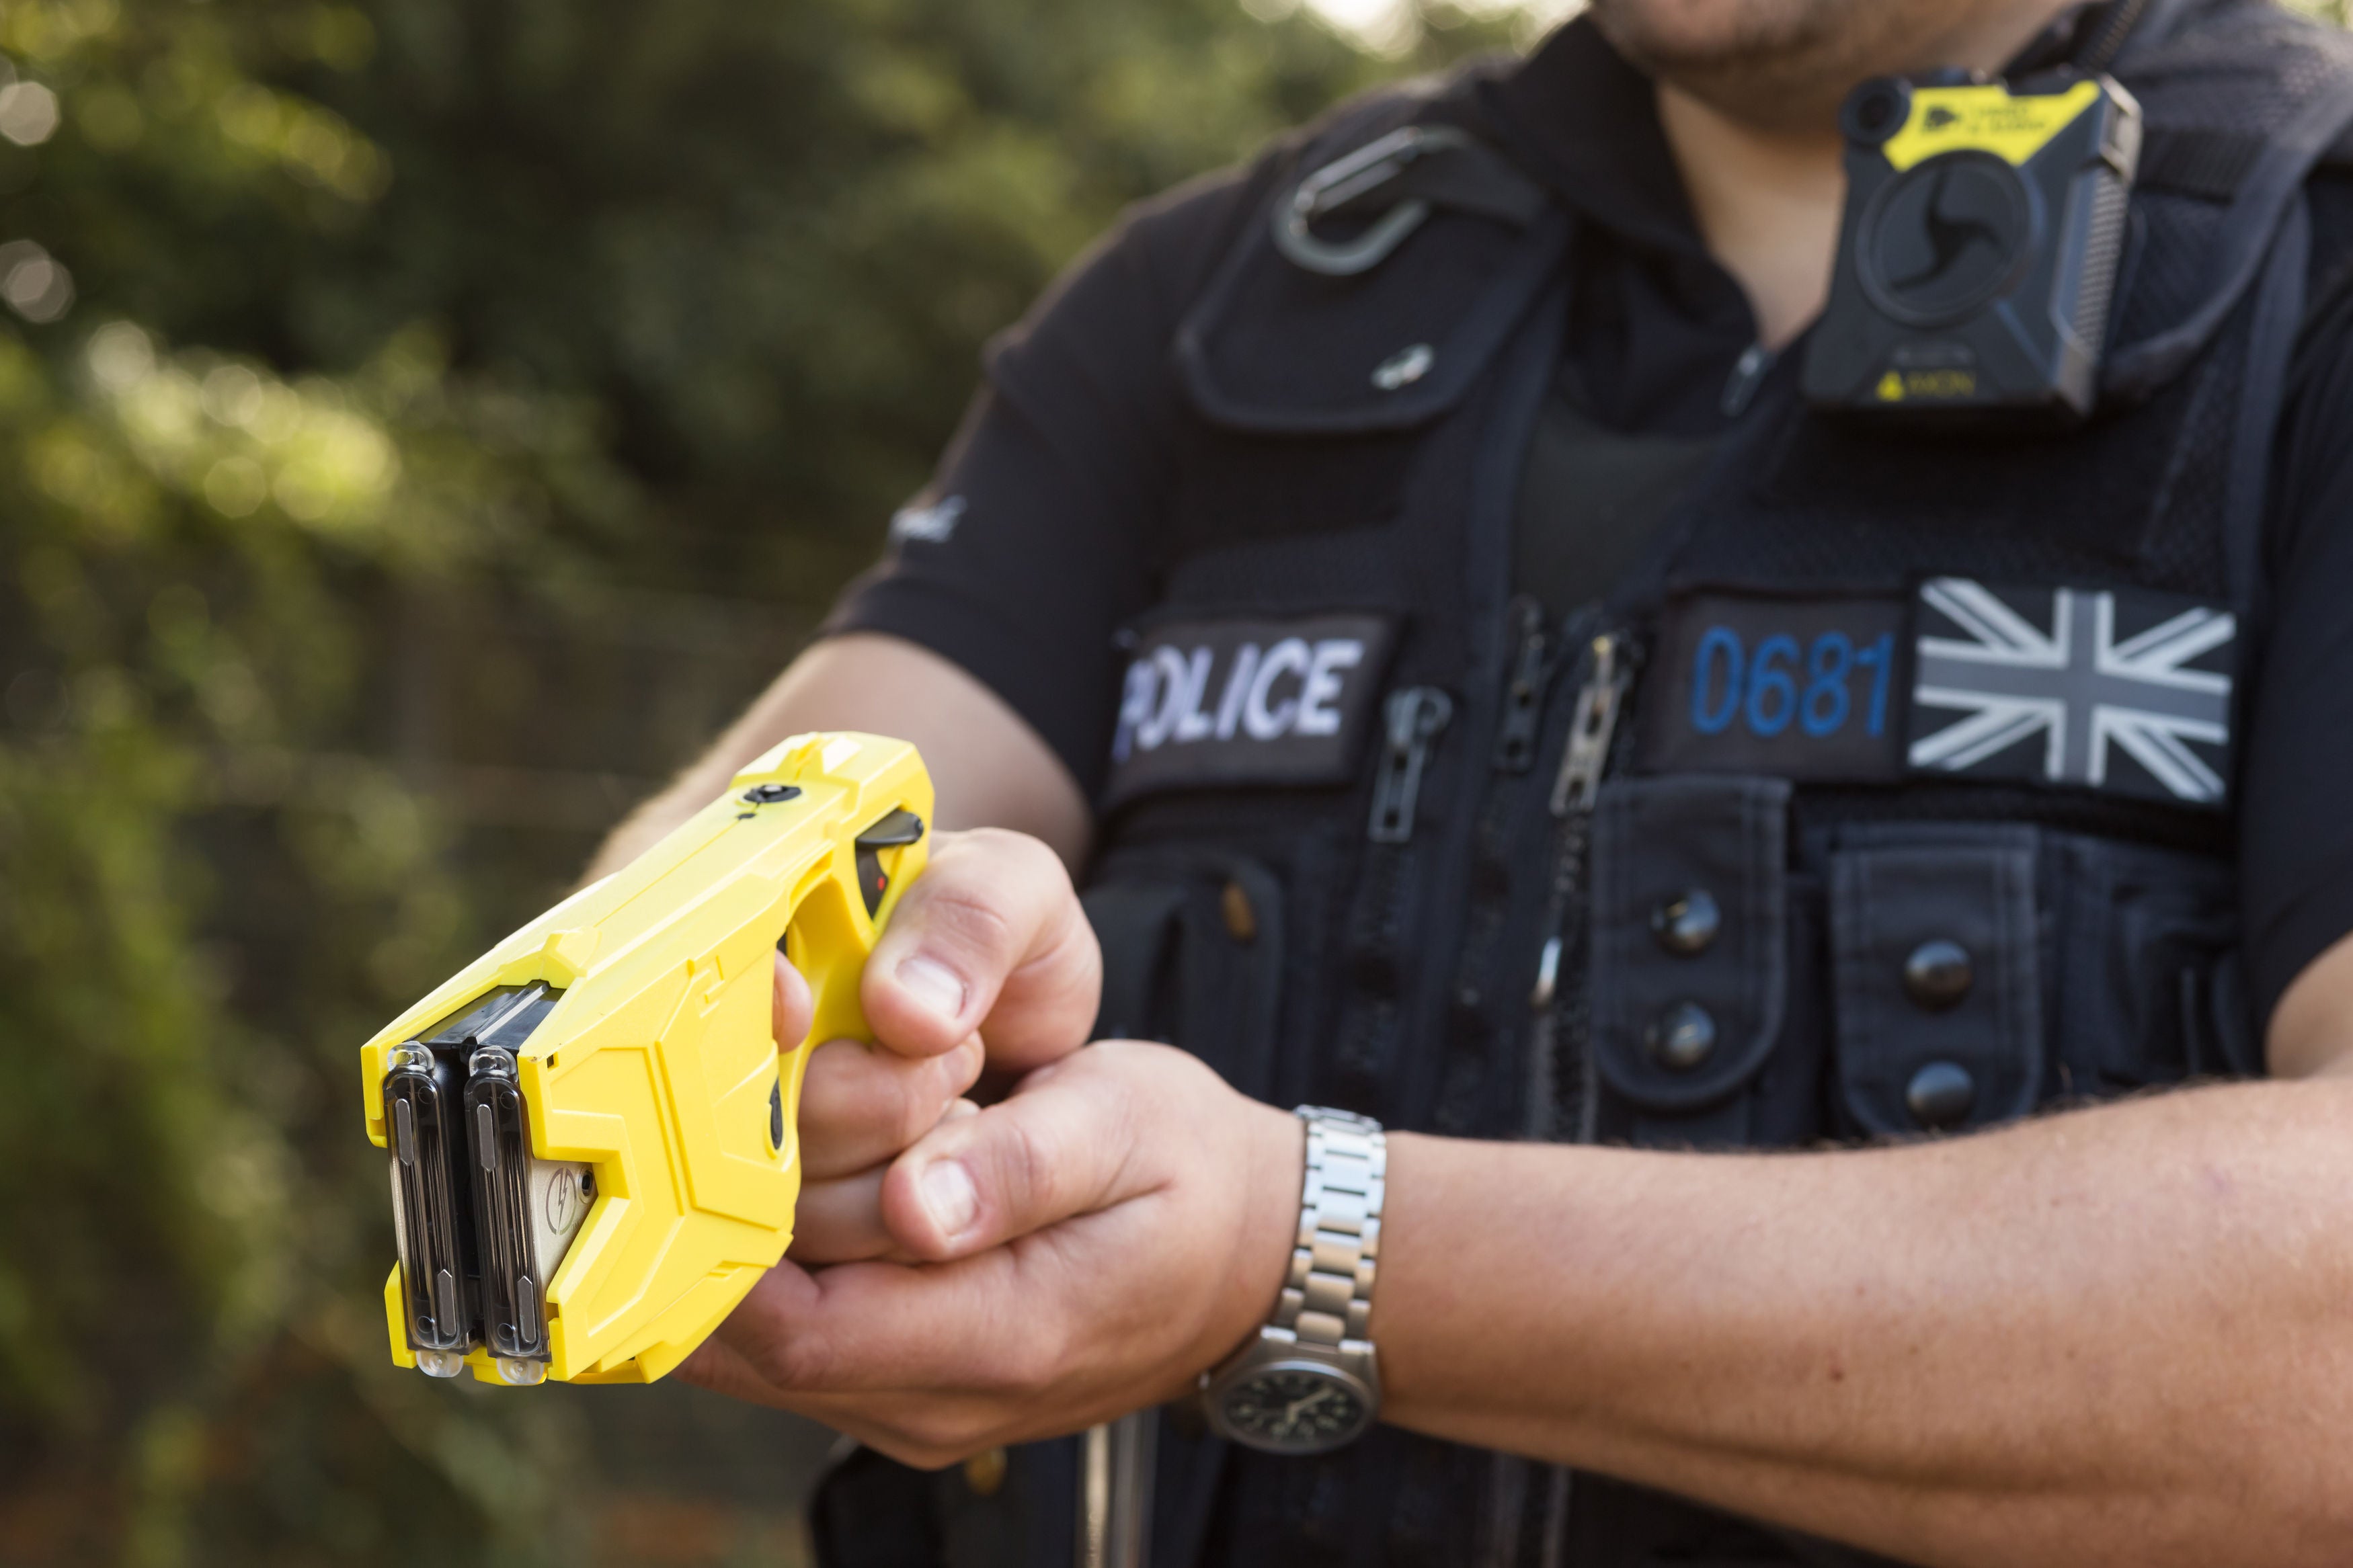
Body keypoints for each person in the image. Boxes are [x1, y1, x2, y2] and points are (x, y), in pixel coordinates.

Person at [584, 0, 2353, 1561]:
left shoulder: (2308, 283)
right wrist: (801, 1067)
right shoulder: (1222, 298)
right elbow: (684, 900)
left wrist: (1301, 1253)